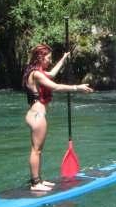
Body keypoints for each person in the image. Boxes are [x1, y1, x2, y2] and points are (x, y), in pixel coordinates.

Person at [23, 43, 94, 192]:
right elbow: (55, 86)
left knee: (38, 150)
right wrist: (77, 88)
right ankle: (35, 183)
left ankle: (38, 180)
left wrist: (63, 59)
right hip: (38, 115)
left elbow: (53, 74)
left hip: (35, 114)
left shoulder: (36, 71)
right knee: (36, 150)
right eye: (48, 58)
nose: (49, 61)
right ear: (40, 58)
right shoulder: (36, 74)